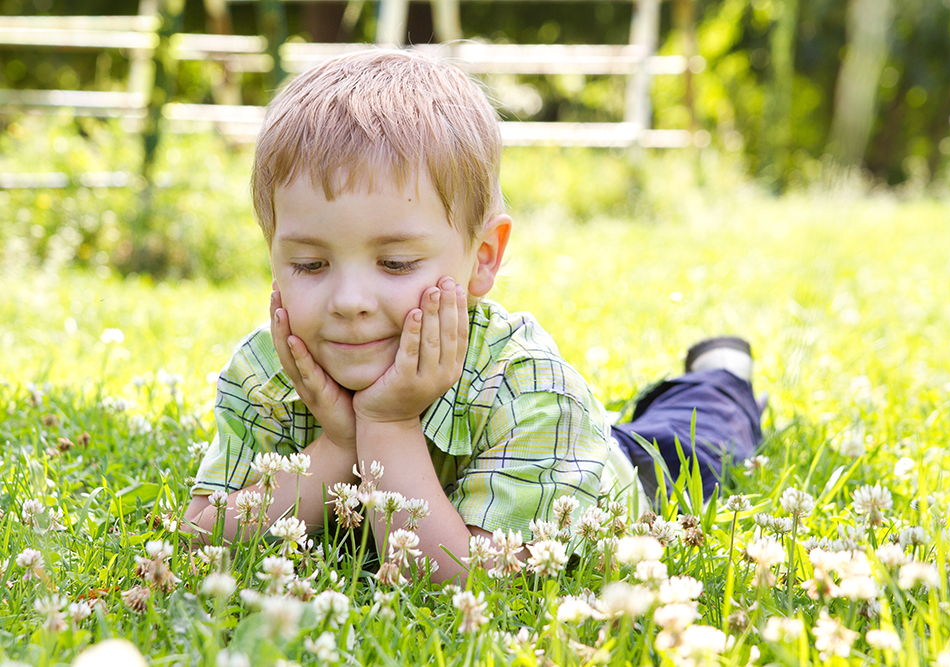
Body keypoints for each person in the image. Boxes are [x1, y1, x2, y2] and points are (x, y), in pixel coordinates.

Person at [183, 48, 763, 583]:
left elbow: (463, 581)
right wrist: (338, 441)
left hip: (608, 473)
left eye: (396, 262)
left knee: (695, 436)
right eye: (310, 265)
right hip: (533, 453)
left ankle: (722, 373)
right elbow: (203, 538)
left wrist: (386, 426)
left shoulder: (526, 382)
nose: (349, 300)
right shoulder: (271, 368)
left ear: (482, 259)